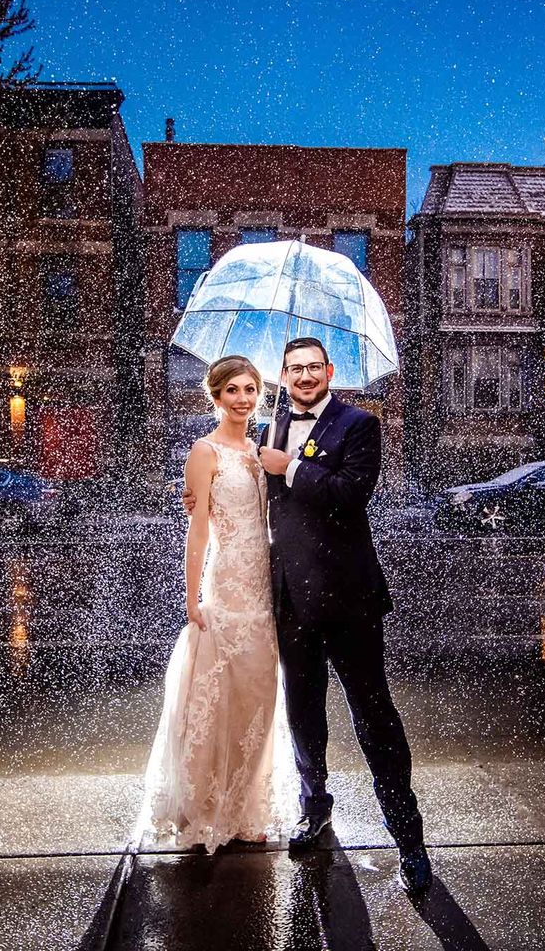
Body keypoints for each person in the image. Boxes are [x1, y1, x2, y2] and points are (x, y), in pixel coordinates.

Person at [185, 336, 431, 897]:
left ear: (329, 370)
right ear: (285, 374)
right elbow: (246, 500)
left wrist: (291, 465)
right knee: (302, 714)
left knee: (375, 717)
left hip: (350, 603)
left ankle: (409, 838)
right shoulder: (267, 429)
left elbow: (349, 494)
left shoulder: (358, 425)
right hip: (289, 603)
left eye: (312, 368)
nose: (303, 376)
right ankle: (313, 806)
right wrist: (202, 497)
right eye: (294, 369)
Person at [141, 355, 280, 851]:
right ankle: (208, 807)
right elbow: (197, 527)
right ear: (216, 396)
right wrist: (191, 594)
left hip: (266, 584)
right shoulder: (205, 452)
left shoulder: (262, 448)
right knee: (219, 694)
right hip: (228, 586)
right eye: (233, 391)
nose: (243, 399)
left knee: (259, 695)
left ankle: (246, 807)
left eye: (250, 390)